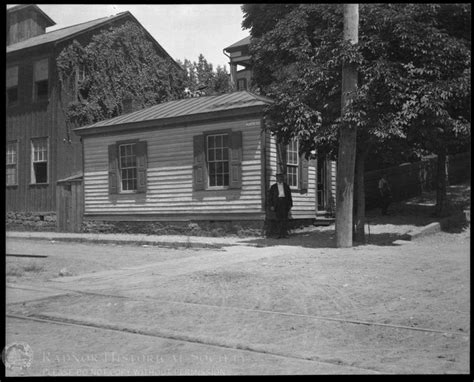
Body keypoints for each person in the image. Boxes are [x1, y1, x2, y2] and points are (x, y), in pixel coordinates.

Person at [268, 172, 293, 238]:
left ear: (283, 178)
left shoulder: (286, 186)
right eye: (278, 178)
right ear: (276, 179)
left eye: (281, 177)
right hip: (277, 204)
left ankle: (284, 234)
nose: (280, 179)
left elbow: (289, 196)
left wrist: (290, 204)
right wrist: (271, 205)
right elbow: (270, 197)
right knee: (278, 219)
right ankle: (278, 234)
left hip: (284, 203)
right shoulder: (273, 187)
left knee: (285, 219)